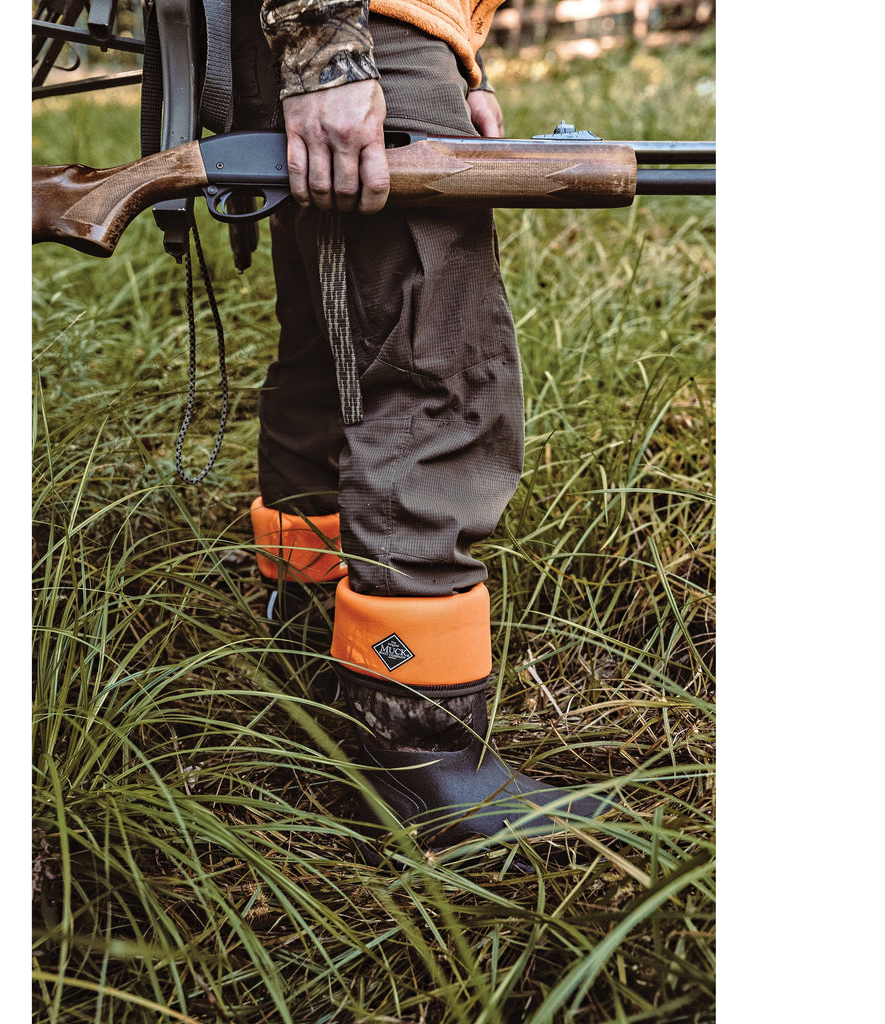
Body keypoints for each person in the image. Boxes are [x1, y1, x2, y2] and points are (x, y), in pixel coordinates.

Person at [242, 0, 608, 855]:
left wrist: (461, 62)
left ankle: (308, 622)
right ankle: (421, 748)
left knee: (333, 342)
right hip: (351, 27)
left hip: (353, 30)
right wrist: (326, 53)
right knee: (440, 368)